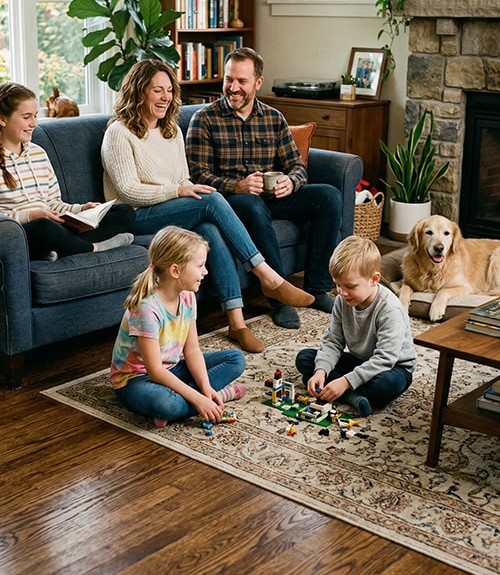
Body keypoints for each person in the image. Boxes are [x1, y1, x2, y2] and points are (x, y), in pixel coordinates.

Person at [102, 59, 314, 354]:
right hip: (135, 216)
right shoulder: (119, 133)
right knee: (212, 198)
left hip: (171, 208)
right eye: (157, 91)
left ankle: (237, 323)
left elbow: (183, 177)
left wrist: (183, 191)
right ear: (139, 92)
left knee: (209, 228)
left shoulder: (170, 130)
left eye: (169, 91)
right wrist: (179, 191)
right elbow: (128, 191)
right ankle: (267, 275)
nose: (165, 97)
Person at [186, 47, 342, 331]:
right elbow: (197, 175)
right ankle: (280, 298)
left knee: (328, 197)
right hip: (231, 202)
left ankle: (318, 289)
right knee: (252, 204)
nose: (233, 88)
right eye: (229, 79)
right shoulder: (205, 119)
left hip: (273, 198)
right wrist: (238, 185)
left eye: (241, 81)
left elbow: (297, 166)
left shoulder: (273, 118)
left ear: (258, 83)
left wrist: (290, 181)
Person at [0, 82, 135, 260]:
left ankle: (62, 247)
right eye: (26, 117)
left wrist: (81, 209)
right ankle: (93, 247)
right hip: (24, 233)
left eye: (35, 116)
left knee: (124, 212)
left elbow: (54, 203)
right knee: (44, 228)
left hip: (54, 225)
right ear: (2, 119)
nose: (34, 123)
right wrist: (31, 215)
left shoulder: (38, 153)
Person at [110, 226, 248, 427]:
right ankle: (218, 397)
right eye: (200, 266)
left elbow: (192, 349)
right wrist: (199, 398)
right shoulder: (147, 308)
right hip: (136, 380)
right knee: (166, 405)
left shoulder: (188, 296)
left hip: (172, 369)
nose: (206, 271)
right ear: (175, 270)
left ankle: (199, 398)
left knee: (235, 359)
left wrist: (205, 386)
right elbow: (155, 371)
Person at [294, 236, 416, 417]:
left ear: (374, 279)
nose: (342, 292)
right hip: (360, 361)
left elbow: (385, 358)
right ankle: (355, 397)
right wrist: (321, 371)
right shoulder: (342, 301)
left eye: (350, 286)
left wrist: (345, 382)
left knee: (386, 385)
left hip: (392, 367)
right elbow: (333, 341)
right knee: (305, 358)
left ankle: (345, 392)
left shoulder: (390, 309)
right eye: (337, 284)